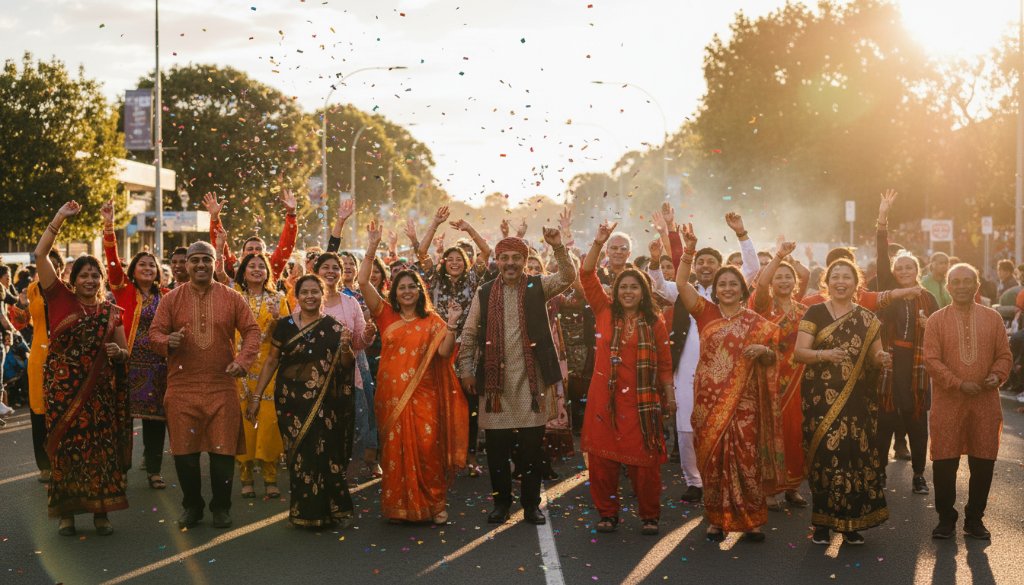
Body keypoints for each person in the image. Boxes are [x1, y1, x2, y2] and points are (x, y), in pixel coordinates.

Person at [674, 223, 783, 543]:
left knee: (746, 457)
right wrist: (688, 251)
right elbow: (681, 283)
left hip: (745, 402)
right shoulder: (704, 312)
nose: (727, 288)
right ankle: (716, 520)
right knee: (714, 460)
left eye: (733, 283)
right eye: (722, 284)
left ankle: (751, 520)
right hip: (709, 400)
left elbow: (774, 354)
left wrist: (763, 350)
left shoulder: (755, 321)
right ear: (715, 289)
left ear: (742, 288)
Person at [458, 228, 575, 526]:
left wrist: (558, 246)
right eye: (504, 258)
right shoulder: (484, 293)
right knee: (497, 452)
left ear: (525, 260)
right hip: (495, 387)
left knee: (531, 452)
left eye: (516, 258)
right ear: (496, 260)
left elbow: (567, 277)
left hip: (530, 384)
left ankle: (531, 505)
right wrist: (467, 371)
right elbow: (469, 334)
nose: (509, 263)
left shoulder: (538, 286)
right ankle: (501, 504)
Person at [358, 220, 468, 524]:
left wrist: (454, 323)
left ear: (420, 292)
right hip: (391, 396)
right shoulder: (385, 314)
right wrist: (372, 246)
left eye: (412, 287)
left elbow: (445, 353)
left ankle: (435, 504)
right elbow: (364, 282)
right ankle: (400, 505)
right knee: (395, 451)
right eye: (401, 287)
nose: (406, 291)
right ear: (394, 291)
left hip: (424, 396)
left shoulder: (433, 321)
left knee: (426, 449)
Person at [35, 201, 131, 537]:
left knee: (99, 452)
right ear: (72, 279)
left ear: (102, 280)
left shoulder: (111, 311)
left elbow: (124, 352)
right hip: (63, 393)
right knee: (66, 449)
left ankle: (101, 512)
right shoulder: (59, 298)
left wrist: (118, 352)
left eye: (95, 275)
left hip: (99, 394)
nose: (90, 279)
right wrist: (59, 217)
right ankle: (67, 513)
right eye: (84, 275)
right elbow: (40, 254)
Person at [150, 240, 261, 530]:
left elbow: (252, 331)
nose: (200, 265)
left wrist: (243, 361)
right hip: (181, 387)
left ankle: (221, 507)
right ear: (186, 265)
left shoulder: (231, 297)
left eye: (206, 260)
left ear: (215, 263)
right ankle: (192, 506)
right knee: (184, 454)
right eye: (194, 260)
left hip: (221, 384)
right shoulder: (172, 299)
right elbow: (155, 332)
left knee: (222, 452)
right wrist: (167, 341)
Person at [580, 220, 674, 535]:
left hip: (640, 401)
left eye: (635, 287)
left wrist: (669, 397)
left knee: (644, 463)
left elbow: (663, 362)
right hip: (603, 399)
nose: (629, 292)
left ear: (643, 291)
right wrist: (598, 241)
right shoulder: (604, 311)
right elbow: (586, 274)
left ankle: (649, 515)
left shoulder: (654, 320)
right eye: (624, 287)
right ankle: (607, 513)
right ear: (616, 292)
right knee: (602, 462)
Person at [794, 259, 894, 545]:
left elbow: (876, 355)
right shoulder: (814, 312)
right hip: (819, 400)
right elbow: (800, 352)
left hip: (856, 401)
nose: (840, 282)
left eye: (846, 277)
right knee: (824, 457)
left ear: (856, 282)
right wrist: (825, 355)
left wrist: (881, 358)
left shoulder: (868, 318)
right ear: (826, 281)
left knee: (854, 457)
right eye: (835, 277)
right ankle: (822, 523)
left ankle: (851, 523)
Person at [247, 274, 358, 528]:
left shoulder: (335, 328)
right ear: (296, 296)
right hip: (291, 402)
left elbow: (346, 365)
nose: (310, 296)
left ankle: (331, 510)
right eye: (304, 292)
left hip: (326, 403)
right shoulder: (284, 326)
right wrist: (256, 396)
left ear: (322, 295)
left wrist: (344, 348)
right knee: (300, 456)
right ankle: (305, 512)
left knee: (326, 454)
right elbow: (272, 361)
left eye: (314, 291)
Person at [924, 264, 1012, 540]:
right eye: (956, 282)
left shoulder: (993, 318)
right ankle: (946, 519)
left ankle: (975, 519)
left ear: (977, 285)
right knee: (944, 462)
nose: (961, 286)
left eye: (967, 281)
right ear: (948, 287)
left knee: (983, 460)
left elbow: (1004, 355)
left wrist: (996, 375)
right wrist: (958, 383)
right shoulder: (936, 320)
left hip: (985, 402)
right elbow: (931, 360)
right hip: (948, 402)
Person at [414, 206, 493, 477]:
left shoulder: (473, 279)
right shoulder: (434, 280)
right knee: (438, 402)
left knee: (468, 403)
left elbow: (486, 253)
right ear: (444, 263)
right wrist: (435, 223)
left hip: (467, 348)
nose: (455, 263)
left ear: (465, 263)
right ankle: (441, 454)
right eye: (450, 259)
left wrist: (469, 230)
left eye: (458, 259)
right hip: (439, 347)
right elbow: (422, 253)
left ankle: (470, 455)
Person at [101, 199, 171, 490]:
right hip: (126, 363)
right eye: (142, 264)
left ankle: (154, 470)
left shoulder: (167, 295)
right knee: (123, 421)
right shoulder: (123, 289)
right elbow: (112, 261)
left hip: (157, 367)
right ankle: (121, 471)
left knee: (156, 422)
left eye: (152, 265)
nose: (147, 268)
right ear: (133, 270)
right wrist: (108, 226)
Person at [873, 190, 937, 495]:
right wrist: (883, 217)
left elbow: (940, 333)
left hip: (918, 368)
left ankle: (919, 474)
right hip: (889, 363)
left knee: (916, 421)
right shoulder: (888, 290)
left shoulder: (929, 297)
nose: (903, 271)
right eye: (900, 268)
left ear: (917, 271)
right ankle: (879, 472)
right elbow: (881, 254)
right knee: (885, 420)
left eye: (909, 268)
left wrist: (930, 327)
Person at [224, 251, 289, 499]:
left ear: (268, 272)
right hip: (240, 367)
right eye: (251, 266)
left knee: (269, 421)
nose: (257, 269)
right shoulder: (234, 298)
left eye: (262, 266)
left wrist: (277, 319)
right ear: (243, 271)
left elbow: (286, 330)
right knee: (244, 421)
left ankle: (270, 476)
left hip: (270, 366)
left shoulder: (278, 298)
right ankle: (246, 476)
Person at [752, 241, 809, 510]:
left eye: (788, 277)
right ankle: (770, 488)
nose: (783, 281)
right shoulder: (764, 306)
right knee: (768, 432)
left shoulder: (805, 312)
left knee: (795, 432)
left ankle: (792, 487)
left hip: (799, 380)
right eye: (778, 277)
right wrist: (778, 257)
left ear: (795, 282)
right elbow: (760, 285)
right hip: (768, 380)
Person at [314, 251, 378, 477]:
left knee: (352, 424)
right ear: (316, 272)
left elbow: (359, 342)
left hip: (349, 373)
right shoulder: (309, 300)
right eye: (325, 267)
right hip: (317, 376)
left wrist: (369, 334)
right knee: (322, 424)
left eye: (335, 268)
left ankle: (348, 470)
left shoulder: (350, 302)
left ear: (341, 273)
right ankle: (326, 470)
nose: (331, 271)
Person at [24, 250, 65, 483]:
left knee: (61, 410)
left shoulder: (68, 291)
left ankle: (64, 460)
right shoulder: (33, 290)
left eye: (54, 265)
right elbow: (31, 319)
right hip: (39, 357)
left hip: (65, 356)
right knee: (39, 411)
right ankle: (44, 465)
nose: (50, 270)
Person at [203, 190, 298, 281]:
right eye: (250, 249)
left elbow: (286, 245)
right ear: (242, 254)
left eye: (258, 249)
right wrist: (214, 218)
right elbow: (221, 247)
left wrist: (291, 214)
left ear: (265, 254)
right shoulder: (234, 269)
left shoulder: (272, 268)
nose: (254, 252)